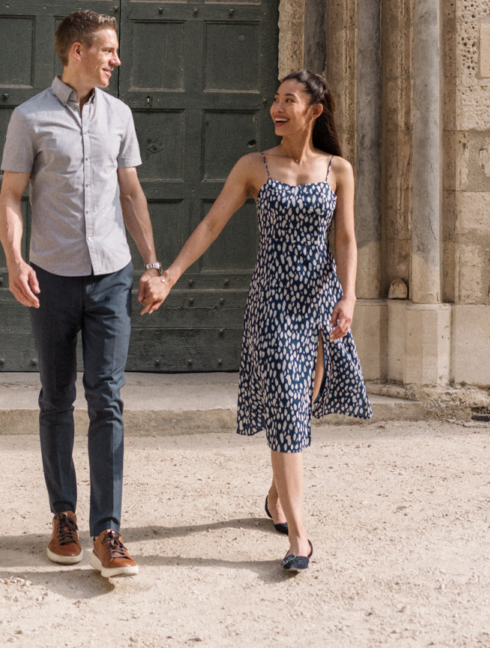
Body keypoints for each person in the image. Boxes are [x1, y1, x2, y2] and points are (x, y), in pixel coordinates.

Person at [140, 69, 371, 571]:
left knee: (299, 405)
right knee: (289, 406)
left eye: (289, 100)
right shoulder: (254, 166)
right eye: (275, 99)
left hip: (318, 301)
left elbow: (347, 239)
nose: (277, 108)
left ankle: (275, 496)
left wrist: (349, 297)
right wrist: (171, 275)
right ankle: (300, 538)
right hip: (272, 303)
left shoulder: (339, 169)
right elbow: (212, 223)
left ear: (315, 110)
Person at [0, 9, 162, 578]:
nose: (117, 60)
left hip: (112, 276)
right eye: (109, 50)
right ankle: (63, 515)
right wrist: (16, 261)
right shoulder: (30, 118)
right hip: (53, 277)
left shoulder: (119, 115)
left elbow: (132, 193)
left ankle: (108, 529)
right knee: (56, 397)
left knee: (108, 398)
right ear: (77, 52)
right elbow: (10, 198)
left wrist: (152, 264)